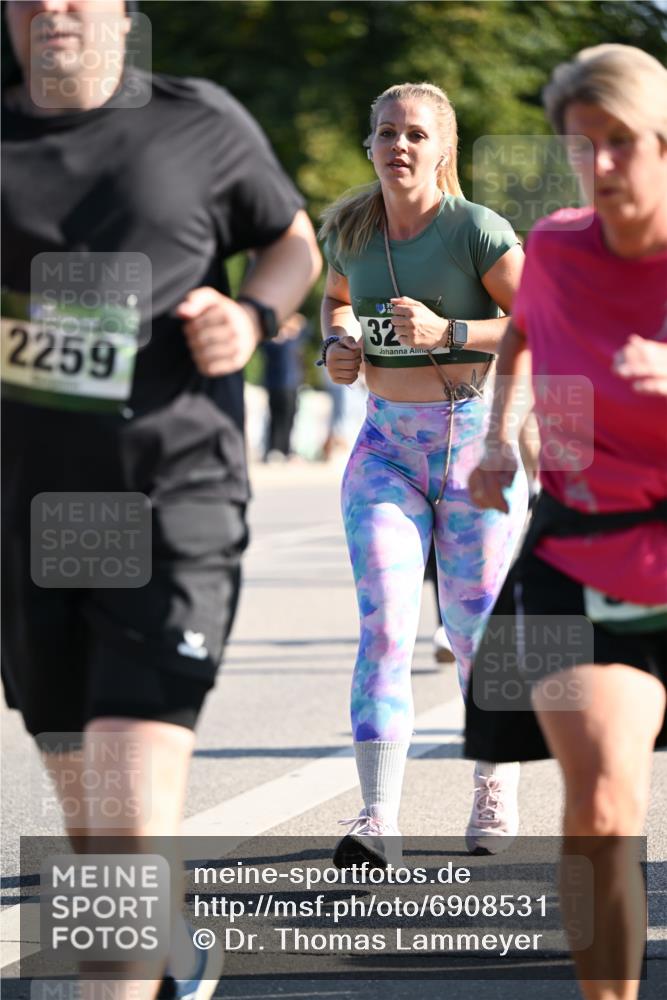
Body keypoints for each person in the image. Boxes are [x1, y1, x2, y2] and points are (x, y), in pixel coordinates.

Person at [1, 2, 320, 998]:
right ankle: (169, 935)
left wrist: (251, 312)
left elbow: (293, 243)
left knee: (124, 811)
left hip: (171, 496)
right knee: (92, 815)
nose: (53, 5)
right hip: (28, 515)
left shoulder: (199, 120)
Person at [465, 44, 667, 1000]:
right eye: (581, 147)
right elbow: (519, 340)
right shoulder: (553, 247)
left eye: (622, 142)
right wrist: (499, 440)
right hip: (582, 547)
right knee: (596, 803)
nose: (604, 166)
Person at [318, 81, 529, 866]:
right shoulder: (348, 229)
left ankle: (495, 781)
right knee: (383, 628)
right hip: (383, 453)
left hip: (473, 447)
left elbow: (542, 323)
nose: (397, 146)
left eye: (414, 134)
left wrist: (454, 329)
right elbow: (336, 303)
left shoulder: (474, 229)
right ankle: (377, 815)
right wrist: (336, 349)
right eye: (384, 133)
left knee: (474, 635)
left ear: (443, 150)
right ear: (368, 145)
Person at [261, 312, 308, 462]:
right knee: (275, 417)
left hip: (292, 384)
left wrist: (293, 320)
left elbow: (307, 328)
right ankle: (273, 448)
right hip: (275, 384)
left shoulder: (294, 340)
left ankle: (287, 449)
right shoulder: (273, 341)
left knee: (290, 417)